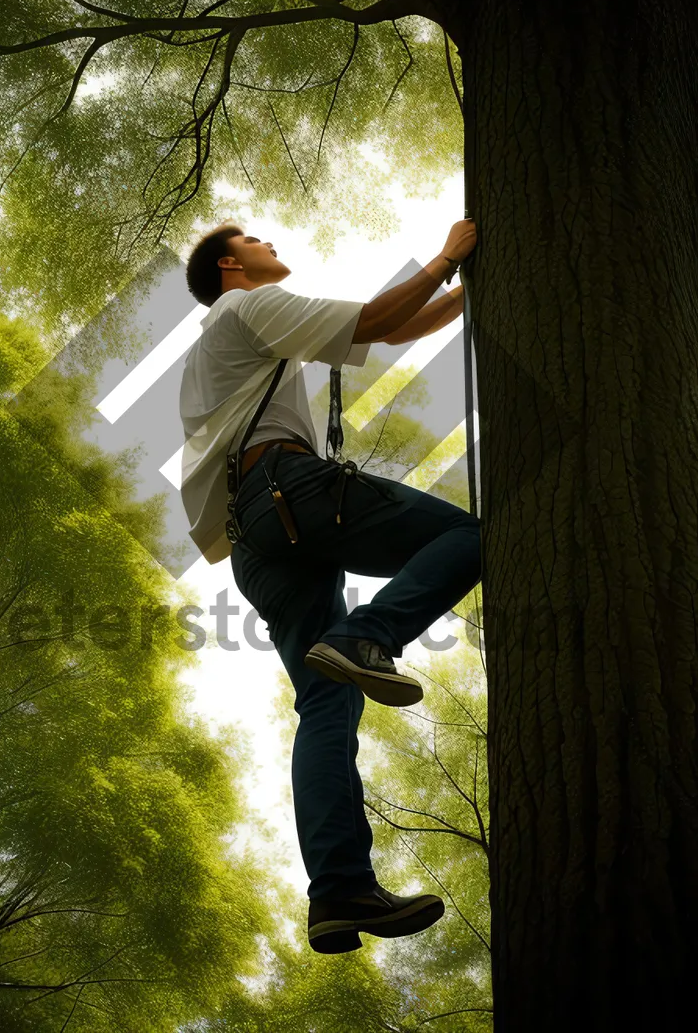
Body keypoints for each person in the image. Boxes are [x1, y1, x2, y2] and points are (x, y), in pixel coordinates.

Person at [178, 218, 481, 954]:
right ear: (229, 265)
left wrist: (467, 286)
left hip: (253, 538)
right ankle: (368, 636)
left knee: (325, 703)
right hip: (288, 491)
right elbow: (376, 318)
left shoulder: (228, 343)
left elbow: (388, 335)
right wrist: (444, 258)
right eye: (252, 239)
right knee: (470, 535)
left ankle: (340, 891)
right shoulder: (243, 307)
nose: (269, 242)